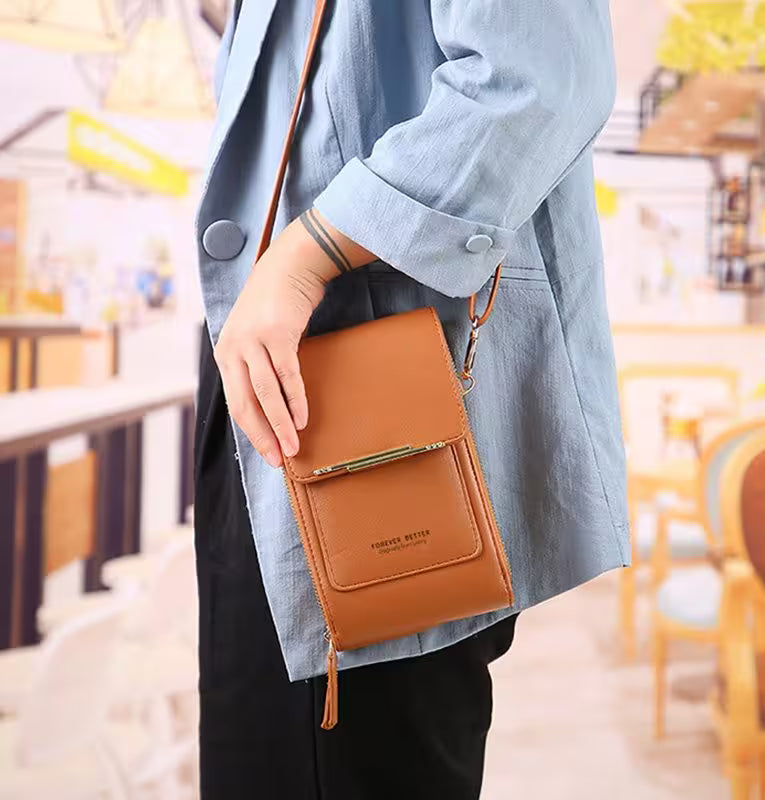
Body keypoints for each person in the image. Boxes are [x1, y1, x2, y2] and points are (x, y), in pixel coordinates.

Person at [194, 1, 630, 797]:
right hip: (272, 368)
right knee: (263, 749)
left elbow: (534, 79)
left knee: (359, 751)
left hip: (364, 395)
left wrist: (311, 250)